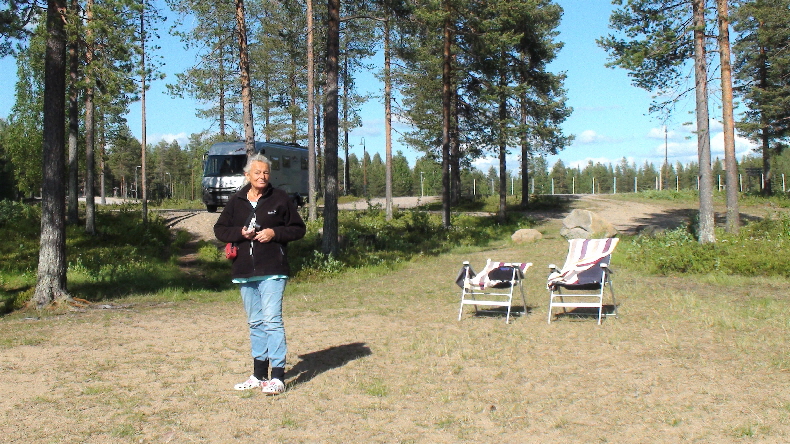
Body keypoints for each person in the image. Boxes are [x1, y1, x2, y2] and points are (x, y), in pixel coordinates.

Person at [214, 153, 306, 395]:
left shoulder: (281, 198)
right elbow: (220, 230)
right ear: (247, 175)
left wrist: (274, 234)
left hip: (273, 269)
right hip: (244, 271)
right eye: (257, 172)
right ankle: (258, 374)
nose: (262, 176)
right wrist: (240, 233)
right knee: (255, 322)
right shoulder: (236, 201)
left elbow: (298, 229)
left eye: (265, 172)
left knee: (272, 320)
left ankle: (277, 377)